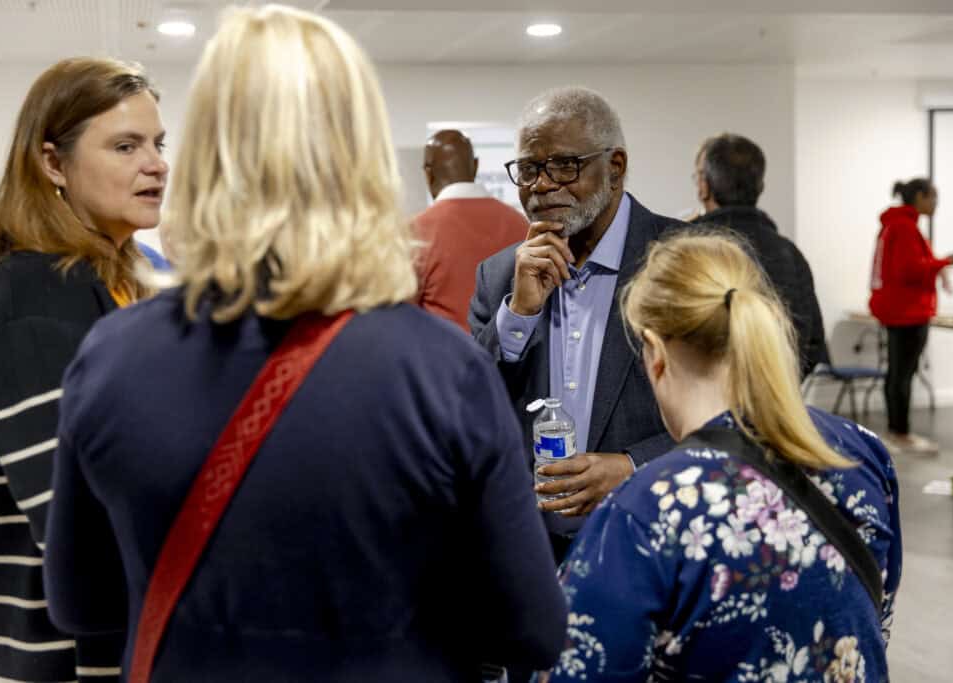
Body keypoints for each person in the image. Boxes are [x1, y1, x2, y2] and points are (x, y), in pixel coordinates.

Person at [43, 6, 566, 682]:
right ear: (359, 156)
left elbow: (81, 603)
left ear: (204, 155)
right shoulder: (441, 370)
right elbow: (531, 629)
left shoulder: (111, 356)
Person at [548, 231, 901, 682]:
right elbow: (872, 620)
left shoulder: (646, 508)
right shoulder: (861, 450)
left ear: (654, 353)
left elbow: (583, 670)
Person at [0, 57, 167, 682]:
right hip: (73, 664)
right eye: (125, 146)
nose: (155, 164)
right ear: (53, 163)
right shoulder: (31, 294)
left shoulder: (125, 274)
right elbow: (81, 534)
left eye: (159, 143)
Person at [468, 86, 681, 559]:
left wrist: (632, 466)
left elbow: (741, 414)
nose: (542, 185)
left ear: (616, 166)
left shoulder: (686, 260)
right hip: (529, 548)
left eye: (565, 165)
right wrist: (518, 315)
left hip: (652, 537)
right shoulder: (499, 274)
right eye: (528, 169)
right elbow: (471, 410)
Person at [691, 133, 828, 377]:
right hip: (779, 407)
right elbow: (813, 343)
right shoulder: (790, 254)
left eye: (699, 175)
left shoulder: (685, 250)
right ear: (760, 186)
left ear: (704, 186)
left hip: (702, 410)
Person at [415, 129, 527, 332]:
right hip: (510, 359)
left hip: (443, 360)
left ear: (428, 173)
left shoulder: (415, 235)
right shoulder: (522, 226)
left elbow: (402, 321)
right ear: (475, 166)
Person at [870, 178, 951, 454]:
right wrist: (945, 261)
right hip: (908, 313)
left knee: (898, 373)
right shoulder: (904, 227)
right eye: (933, 197)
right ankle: (900, 433)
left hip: (898, 310)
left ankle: (896, 430)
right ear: (919, 196)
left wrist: (937, 267)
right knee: (902, 374)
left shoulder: (896, 224)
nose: (936, 204)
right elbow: (910, 270)